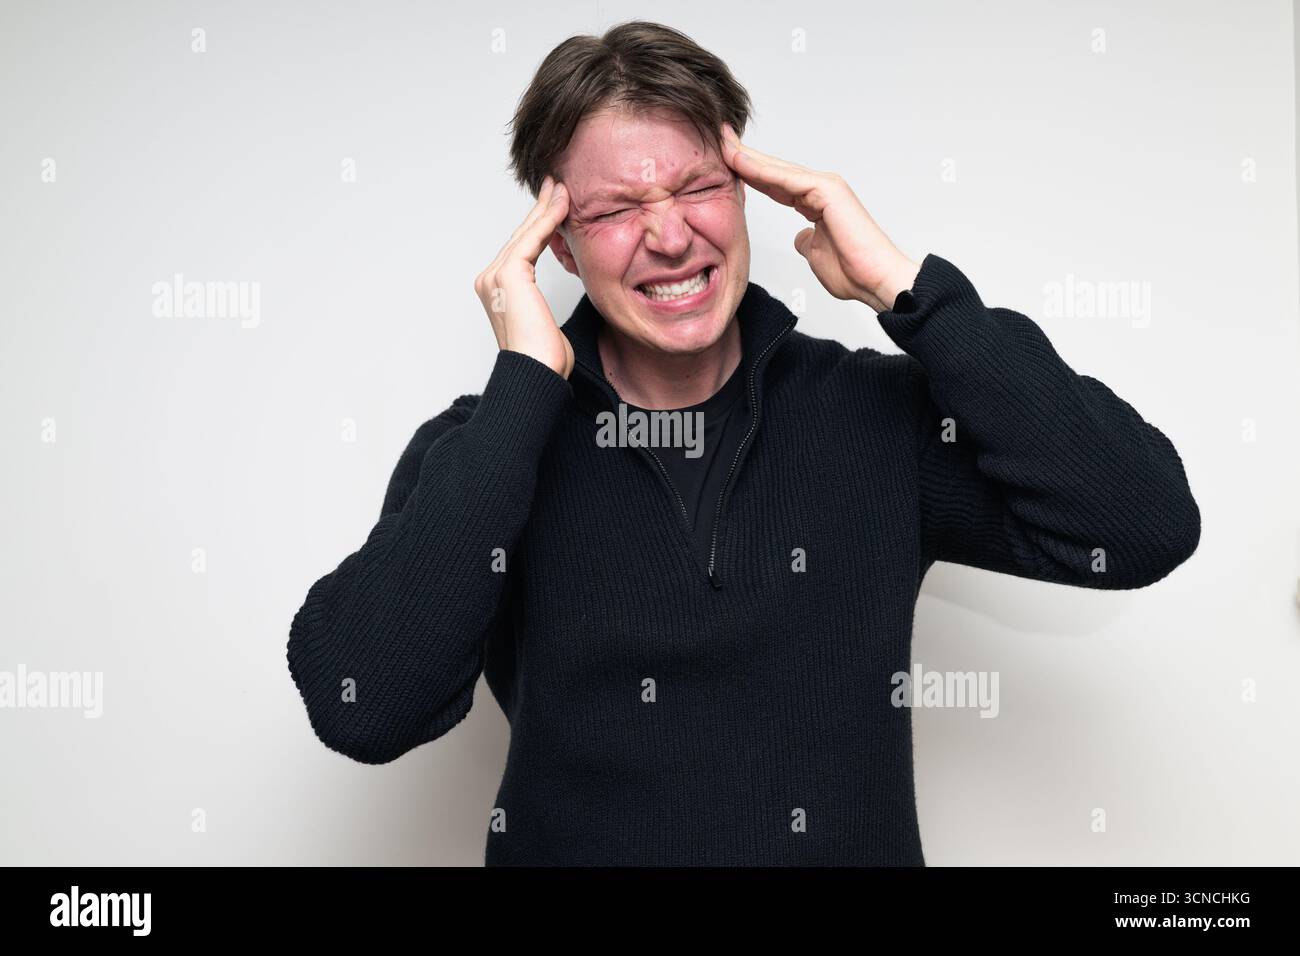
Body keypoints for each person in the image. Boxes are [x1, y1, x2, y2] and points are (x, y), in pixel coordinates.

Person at [286, 21, 1201, 866]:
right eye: (614, 210)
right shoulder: (489, 447)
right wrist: (526, 384)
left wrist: (909, 294)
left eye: (697, 188)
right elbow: (364, 704)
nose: (670, 236)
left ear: (747, 193)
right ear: (556, 247)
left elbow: (1143, 524)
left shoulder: (873, 417)